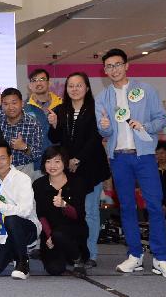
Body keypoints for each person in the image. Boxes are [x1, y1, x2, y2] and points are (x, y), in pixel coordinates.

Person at [95, 48, 166, 278]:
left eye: (117, 64)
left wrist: (146, 126)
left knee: (154, 205)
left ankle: (161, 258)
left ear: (127, 65)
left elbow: (161, 119)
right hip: (119, 157)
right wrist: (103, 125)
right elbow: (104, 130)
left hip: (144, 156)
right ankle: (135, 255)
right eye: (109, 66)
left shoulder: (146, 89)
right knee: (127, 207)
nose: (114, 69)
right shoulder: (102, 98)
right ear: (104, 71)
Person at [48, 72, 110, 267]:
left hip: (91, 168)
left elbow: (95, 137)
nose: (74, 89)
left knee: (90, 212)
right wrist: (54, 125)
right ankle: (74, 251)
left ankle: (90, 254)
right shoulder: (60, 109)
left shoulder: (95, 109)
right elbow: (55, 138)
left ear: (87, 88)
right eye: (70, 86)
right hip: (68, 171)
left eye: (78, 85)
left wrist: (78, 159)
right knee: (70, 211)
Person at [0, 140, 41, 279]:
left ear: (11, 158)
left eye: (2, 158)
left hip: (26, 227)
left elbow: (26, 211)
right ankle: (15, 251)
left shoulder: (22, 179)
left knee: (11, 219)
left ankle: (23, 262)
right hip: (1, 233)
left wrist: (1, 207)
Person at [33, 147, 89, 276]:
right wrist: (48, 235)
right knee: (55, 270)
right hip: (50, 234)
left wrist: (64, 205)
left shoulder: (77, 182)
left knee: (60, 234)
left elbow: (79, 216)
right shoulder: (38, 184)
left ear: (64, 162)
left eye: (57, 161)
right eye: (48, 161)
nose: (52, 166)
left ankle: (77, 259)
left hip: (73, 231)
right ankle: (60, 255)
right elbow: (40, 214)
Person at [0, 88, 43, 179]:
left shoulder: (33, 123)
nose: (10, 107)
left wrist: (24, 147)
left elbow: (37, 154)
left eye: (14, 103)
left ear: (22, 103)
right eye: (6, 104)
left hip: (24, 168)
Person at [26, 68, 61, 153]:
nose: (38, 83)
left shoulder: (62, 105)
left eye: (42, 79)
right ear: (30, 85)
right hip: (34, 159)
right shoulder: (24, 108)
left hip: (57, 158)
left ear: (49, 83)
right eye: (34, 80)